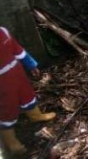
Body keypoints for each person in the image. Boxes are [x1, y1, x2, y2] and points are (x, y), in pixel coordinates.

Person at [0, 26, 56, 154]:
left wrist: (30, 65)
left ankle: (35, 115)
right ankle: (10, 140)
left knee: (26, 94)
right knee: (7, 108)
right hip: (2, 83)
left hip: (16, 72)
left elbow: (18, 50)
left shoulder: (3, 32)